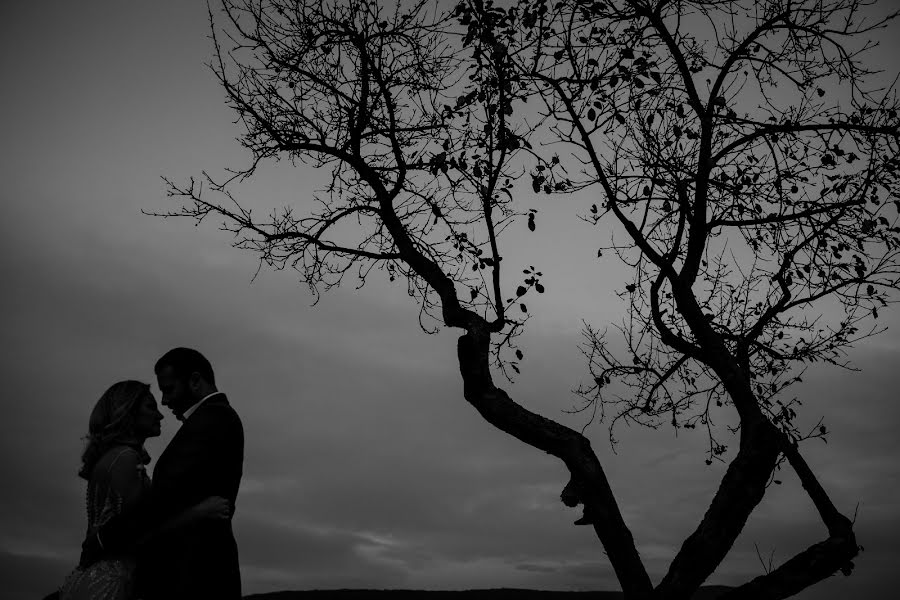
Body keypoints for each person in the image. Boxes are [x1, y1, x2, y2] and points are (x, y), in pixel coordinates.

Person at [80, 348, 245, 600]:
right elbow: (168, 503)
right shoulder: (210, 420)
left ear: (195, 381)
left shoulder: (213, 419)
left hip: (196, 578)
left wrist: (102, 540)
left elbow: (162, 503)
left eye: (168, 390)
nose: (164, 403)